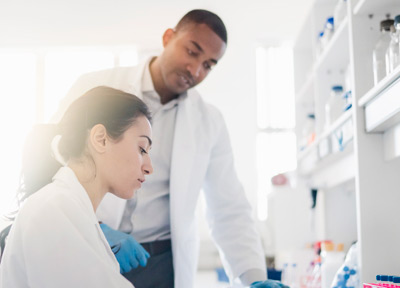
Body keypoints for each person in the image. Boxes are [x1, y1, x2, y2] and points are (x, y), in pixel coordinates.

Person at [50, 9, 287, 288]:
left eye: (208, 65)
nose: (195, 70)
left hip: (162, 266)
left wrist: (253, 279)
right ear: (168, 38)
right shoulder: (95, 87)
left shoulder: (209, 122)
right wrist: (96, 229)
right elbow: (51, 161)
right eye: (191, 51)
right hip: (91, 244)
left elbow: (229, 208)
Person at [0, 86, 153, 288]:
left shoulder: (69, 207)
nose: (149, 168)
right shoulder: (55, 208)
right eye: (142, 149)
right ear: (100, 139)